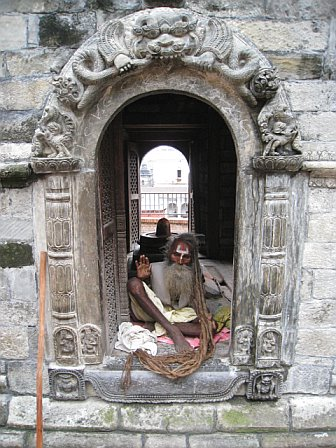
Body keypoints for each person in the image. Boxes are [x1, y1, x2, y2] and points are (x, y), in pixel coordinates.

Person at [127, 233, 213, 353]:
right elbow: (144, 294)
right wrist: (142, 279)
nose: (180, 261)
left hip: (178, 314)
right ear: (168, 253)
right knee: (133, 283)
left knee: (210, 327)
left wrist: (205, 315)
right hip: (153, 312)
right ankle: (173, 331)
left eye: (186, 257)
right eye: (176, 255)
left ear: (192, 259)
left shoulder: (195, 275)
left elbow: (198, 303)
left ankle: (160, 326)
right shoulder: (153, 268)